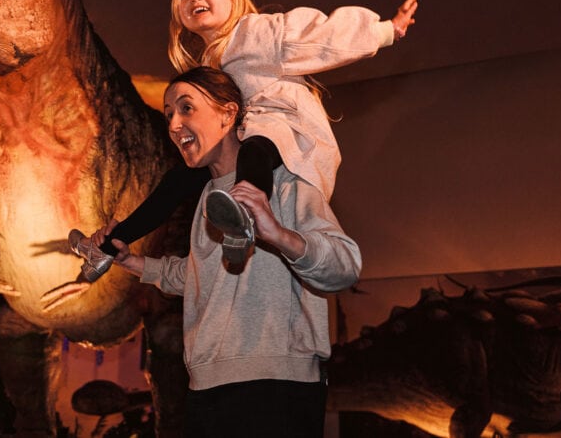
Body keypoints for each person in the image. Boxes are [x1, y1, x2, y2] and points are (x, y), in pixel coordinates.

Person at [70, 0, 416, 280]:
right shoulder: (207, 66)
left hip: (283, 128)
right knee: (178, 180)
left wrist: (385, 31)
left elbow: (317, 38)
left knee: (257, 143)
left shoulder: (258, 32)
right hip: (241, 137)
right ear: (179, 12)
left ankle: (248, 214)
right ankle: (106, 246)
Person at [94, 66, 361, 436]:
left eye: (187, 108)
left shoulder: (287, 185)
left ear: (228, 112)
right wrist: (134, 262)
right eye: (169, 113)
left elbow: (346, 265)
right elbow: (201, 279)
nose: (173, 124)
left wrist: (278, 234)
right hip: (205, 387)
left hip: (277, 386)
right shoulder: (207, 198)